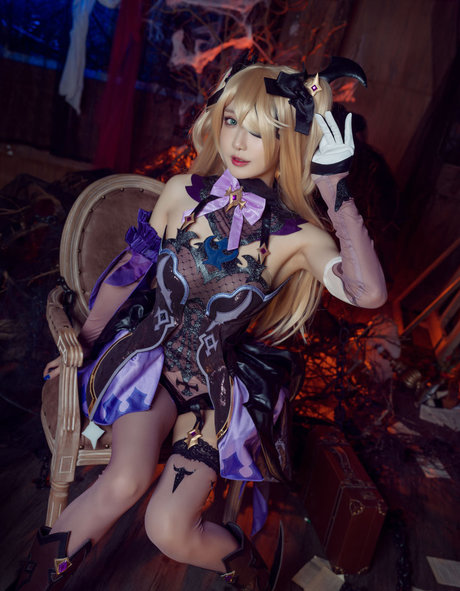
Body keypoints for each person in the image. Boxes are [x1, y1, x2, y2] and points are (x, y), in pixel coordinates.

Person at [12, 56, 387, 591]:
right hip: (150, 366)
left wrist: (334, 189)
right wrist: (84, 344)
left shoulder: (298, 237)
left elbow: (368, 294)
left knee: (167, 528)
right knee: (123, 481)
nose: (238, 141)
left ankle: (249, 572)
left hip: (216, 389)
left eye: (259, 130)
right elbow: (129, 275)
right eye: (232, 120)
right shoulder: (181, 191)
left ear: (289, 140)